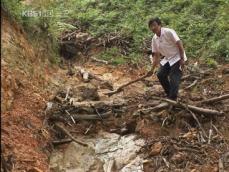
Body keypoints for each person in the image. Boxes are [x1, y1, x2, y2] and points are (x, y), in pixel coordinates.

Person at [148, 17, 187, 100]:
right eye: (151, 26)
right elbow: (156, 56)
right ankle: (170, 93)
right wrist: (152, 70)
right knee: (160, 74)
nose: (153, 28)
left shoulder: (168, 32)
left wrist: (182, 58)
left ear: (159, 25)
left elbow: (179, 44)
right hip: (168, 58)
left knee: (174, 77)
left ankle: (172, 98)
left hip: (177, 57)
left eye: (154, 25)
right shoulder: (154, 39)